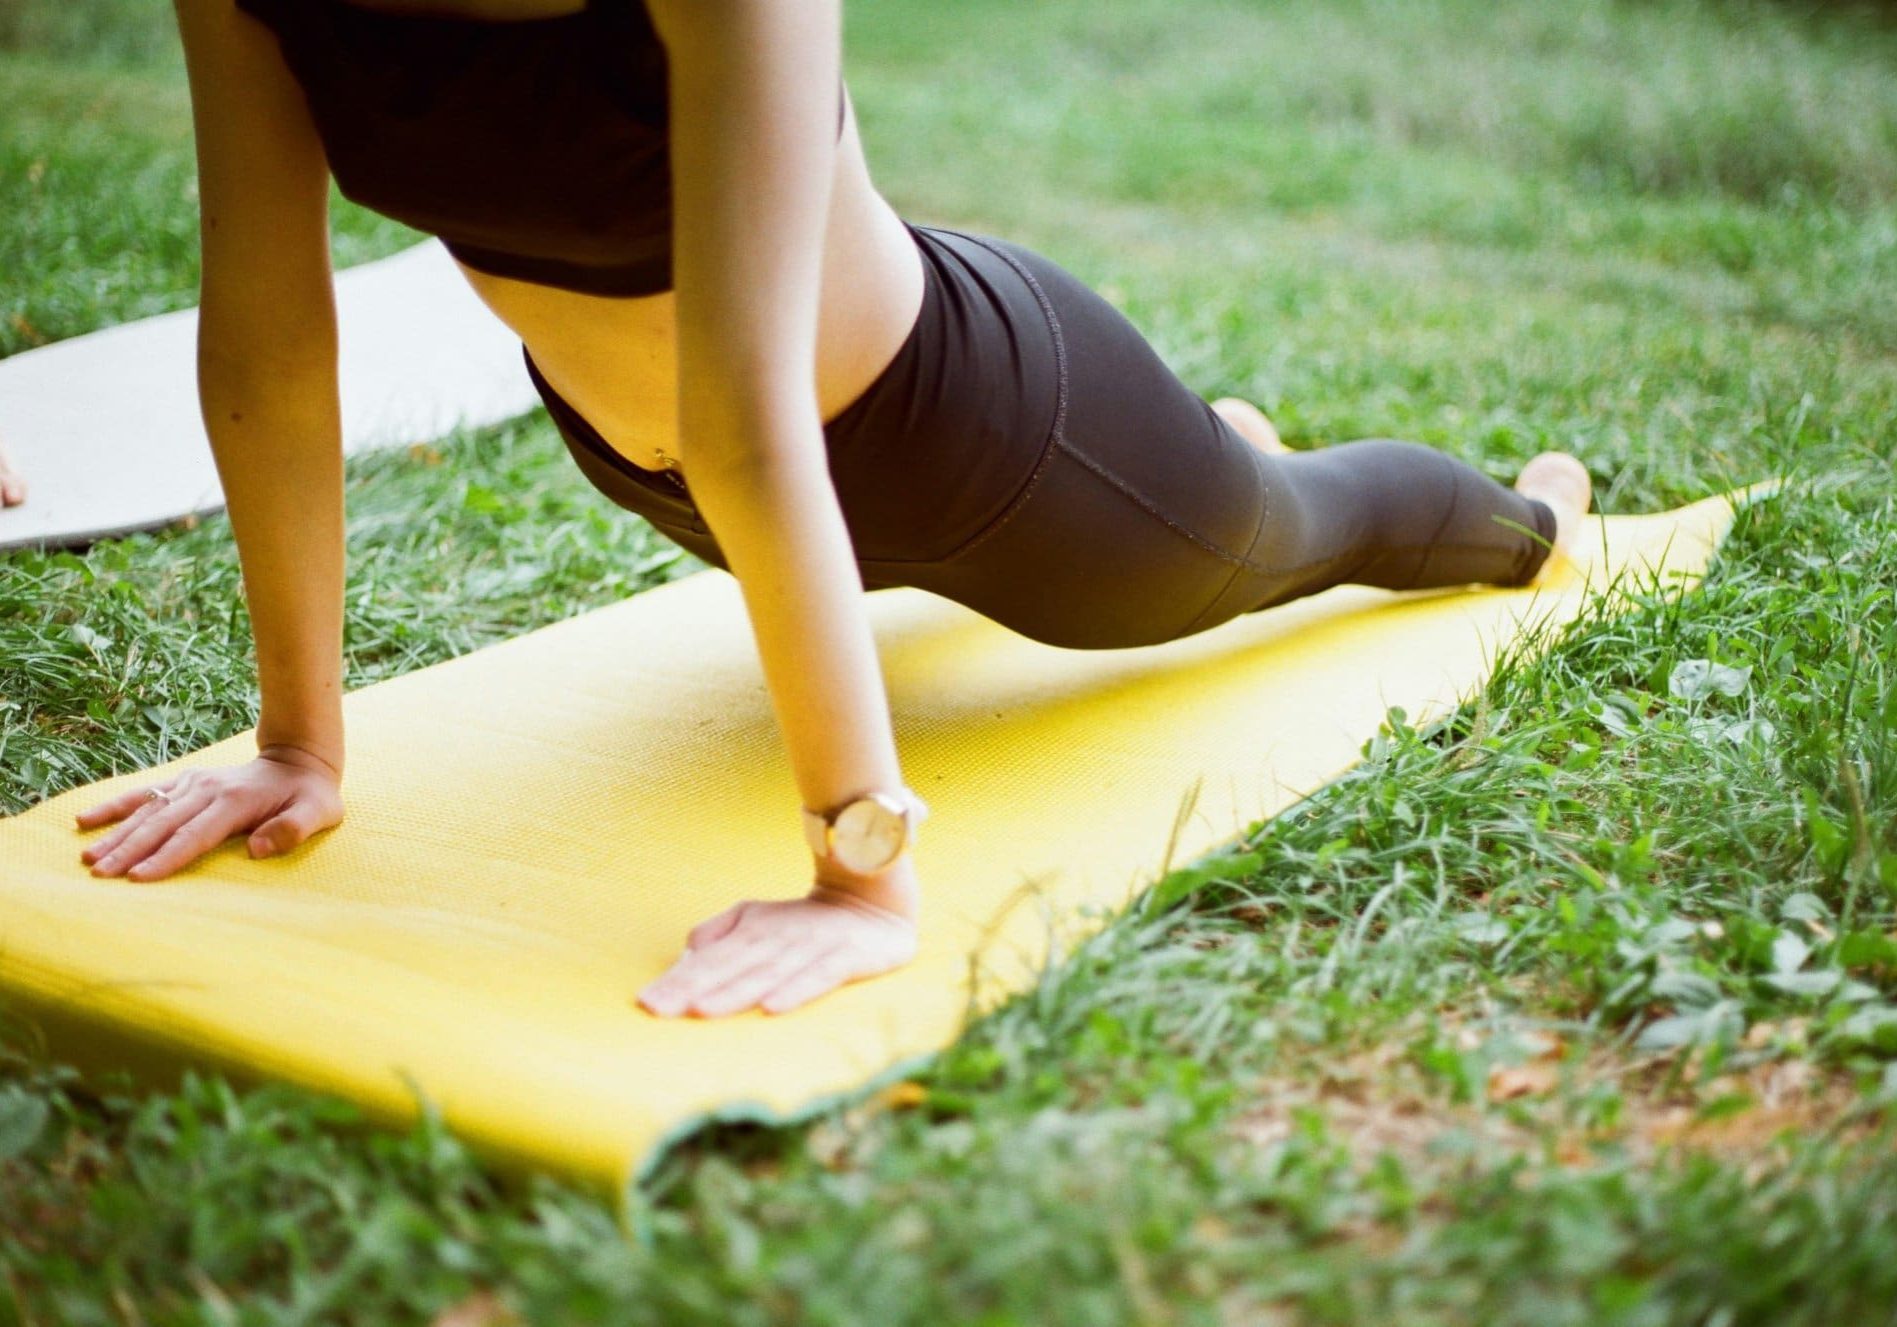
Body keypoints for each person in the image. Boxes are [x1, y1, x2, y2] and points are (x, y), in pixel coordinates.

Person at [72, 0, 1593, 1020]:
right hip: (678, 478)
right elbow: (269, 345)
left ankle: (1528, 519)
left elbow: (748, 403)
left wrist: (859, 872)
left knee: (1280, 530)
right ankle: (1207, 445)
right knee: (1187, 500)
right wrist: (298, 743)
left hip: (990, 440)